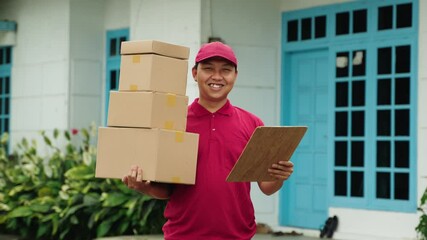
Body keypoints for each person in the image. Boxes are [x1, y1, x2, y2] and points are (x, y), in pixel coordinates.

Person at [122, 41, 294, 240]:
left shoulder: (253, 124)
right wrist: (143, 186)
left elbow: (266, 187)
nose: (217, 77)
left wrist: (279, 176)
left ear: (235, 76)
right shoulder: (174, 122)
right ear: (195, 73)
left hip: (237, 235)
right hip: (183, 235)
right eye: (208, 69)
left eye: (226, 70)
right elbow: (168, 189)